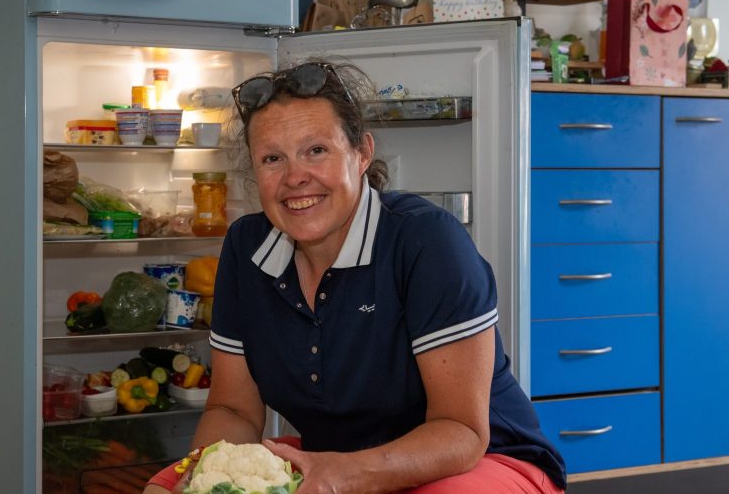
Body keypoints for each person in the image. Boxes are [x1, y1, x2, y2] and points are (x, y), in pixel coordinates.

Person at [145, 59, 566, 494]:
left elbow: (461, 431)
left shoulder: (425, 240)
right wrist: (205, 481)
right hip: (335, 463)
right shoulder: (245, 248)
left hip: (478, 462)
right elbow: (233, 410)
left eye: (316, 151)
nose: (295, 177)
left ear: (361, 153)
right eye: (272, 159)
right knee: (167, 485)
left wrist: (342, 476)